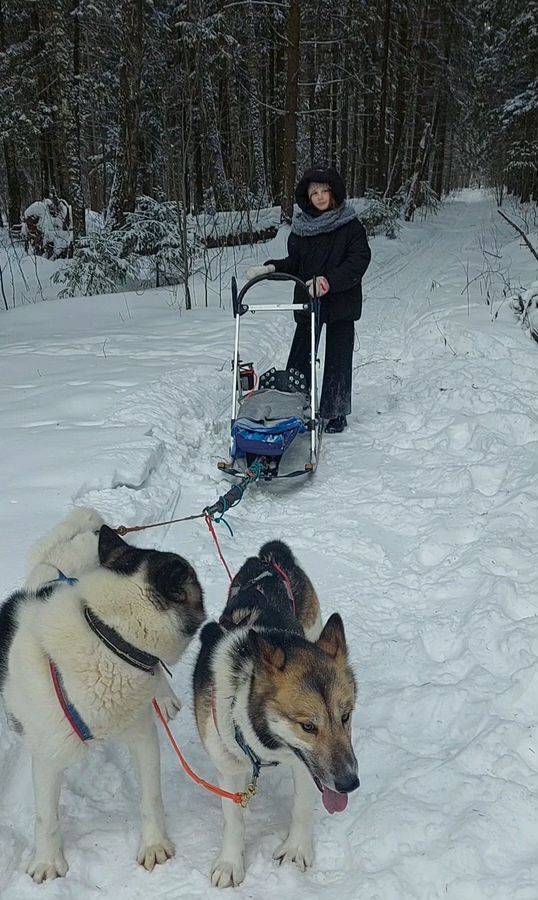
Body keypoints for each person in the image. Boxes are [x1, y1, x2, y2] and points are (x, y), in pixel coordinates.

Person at [245, 166, 371, 433]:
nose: (321, 196)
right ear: (307, 196)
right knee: (301, 354)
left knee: (338, 355)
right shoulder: (301, 229)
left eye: (325, 191)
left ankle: (335, 411)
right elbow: (295, 264)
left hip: (341, 301)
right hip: (308, 301)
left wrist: (329, 281)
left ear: (334, 192)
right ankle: (293, 401)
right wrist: (270, 269)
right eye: (315, 192)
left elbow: (358, 261)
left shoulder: (350, 225)